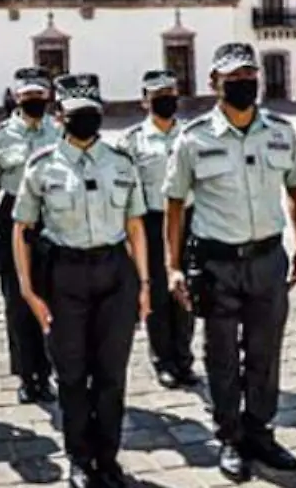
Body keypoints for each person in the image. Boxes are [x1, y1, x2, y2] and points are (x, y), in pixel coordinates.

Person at [165, 43, 296, 482]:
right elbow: (174, 205)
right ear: (214, 84)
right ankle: (229, 436)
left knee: (265, 353)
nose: (244, 84)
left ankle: (260, 432)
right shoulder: (193, 139)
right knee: (221, 355)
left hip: (268, 259)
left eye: (250, 76)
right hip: (217, 264)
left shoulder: (281, 131)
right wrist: (173, 267)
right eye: (234, 78)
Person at [16, 73, 149, 488]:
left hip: (114, 274)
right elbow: (22, 228)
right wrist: (27, 290)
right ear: (60, 116)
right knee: (71, 375)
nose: (84, 120)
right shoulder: (41, 167)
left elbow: (135, 226)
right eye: (76, 114)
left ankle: (107, 458)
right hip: (64, 277)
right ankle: (79, 457)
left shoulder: (121, 162)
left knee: (111, 373)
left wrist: (144, 285)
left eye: (92, 113)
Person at [0, 67, 60, 403]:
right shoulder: (1, 136)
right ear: (16, 98)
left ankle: (50, 371)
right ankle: (28, 375)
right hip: (13, 219)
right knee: (17, 301)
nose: (33, 102)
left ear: (48, 98)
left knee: (52, 296)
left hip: (51, 215)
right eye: (27, 97)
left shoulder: (59, 131)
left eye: (39, 97)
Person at [119, 70, 199, 388]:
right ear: (145, 101)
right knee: (154, 292)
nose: (166, 100)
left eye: (170, 93)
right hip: (150, 222)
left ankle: (184, 359)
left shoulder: (191, 135)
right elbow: (126, 189)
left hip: (189, 219)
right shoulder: (132, 141)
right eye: (158, 96)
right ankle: (162, 360)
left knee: (185, 289)